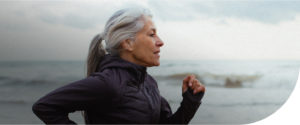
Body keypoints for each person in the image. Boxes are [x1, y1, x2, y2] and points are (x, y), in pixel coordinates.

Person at [32, 8, 205, 124]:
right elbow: (46, 106)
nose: (161, 42)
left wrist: (190, 101)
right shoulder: (109, 83)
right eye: (152, 35)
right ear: (128, 43)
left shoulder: (149, 83)